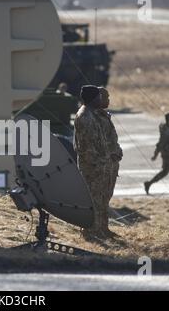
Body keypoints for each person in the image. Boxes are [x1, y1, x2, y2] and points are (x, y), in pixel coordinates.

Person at [74, 85, 112, 237]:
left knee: (100, 199)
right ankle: (91, 231)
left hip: (98, 165)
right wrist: (99, 164)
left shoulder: (92, 114)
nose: (101, 99)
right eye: (99, 97)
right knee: (93, 200)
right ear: (93, 98)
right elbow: (88, 146)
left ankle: (100, 229)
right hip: (92, 167)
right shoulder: (86, 116)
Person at [144, 113, 169, 197]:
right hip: (168, 155)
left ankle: (149, 184)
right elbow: (161, 143)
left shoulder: (168, 129)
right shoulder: (166, 130)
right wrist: (155, 155)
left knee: (165, 172)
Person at [95, 87, 123, 206]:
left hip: (110, 164)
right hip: (102, 166)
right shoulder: (93, 117)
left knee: (105, 200)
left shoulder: (104, 115)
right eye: (106, 97)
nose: (108, 100)